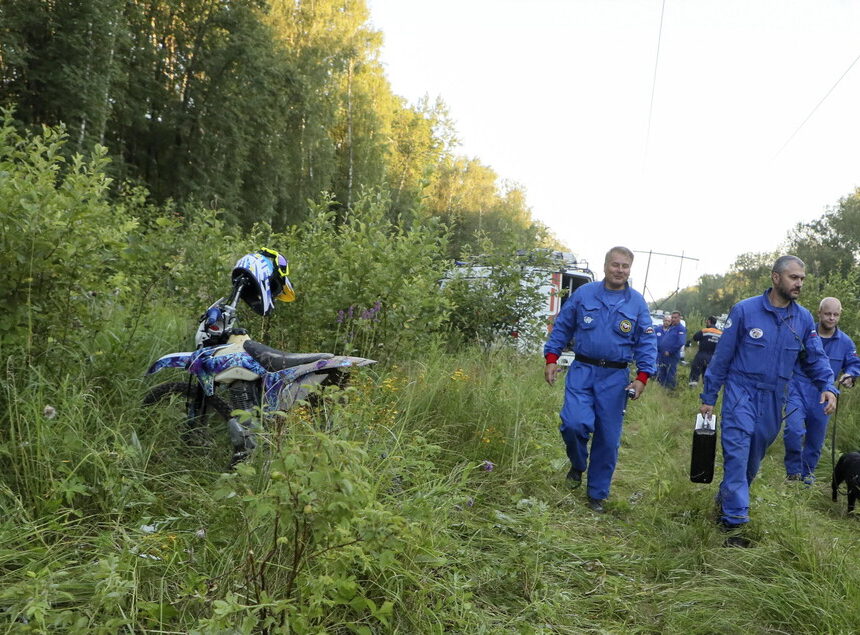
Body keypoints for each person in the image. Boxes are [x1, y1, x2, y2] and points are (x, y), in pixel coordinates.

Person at [700, 255, 837, 543]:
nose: (799, 283)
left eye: (802, 278)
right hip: (741, 393)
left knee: (751, 462)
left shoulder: (802, 319)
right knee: (737, 456)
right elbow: (722, 358)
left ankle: (727, 501)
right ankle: (735, 524)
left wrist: (828, 385)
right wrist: (709, 397)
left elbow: (815, 357)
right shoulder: (745, 311)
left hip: (774, 399)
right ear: (776, 278)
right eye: (793, 277)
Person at [544, 246, 657, 512]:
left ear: (630, 269)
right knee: (573, 424)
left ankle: (597, 494)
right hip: (583, 371)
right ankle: (578, 464)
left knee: (607, 437)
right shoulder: (585, 294)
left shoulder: (636, 303)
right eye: (615, 265)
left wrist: (642, 377)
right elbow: (562, 326)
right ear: (605, 266)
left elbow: (647, 341)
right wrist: (551, 358)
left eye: (625, 266)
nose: (619, 270)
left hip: (615, 378)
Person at [783, 297, 860, 483]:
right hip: (798, 389)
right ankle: (793, 472)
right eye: (827, 313)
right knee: (793, 430)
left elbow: (854, 364)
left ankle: (807, 476)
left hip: (824, 394)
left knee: (815, 441)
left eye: (835, 314)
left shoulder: (846, 342)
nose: (831, 318)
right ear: (819, 313)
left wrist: (849, 376)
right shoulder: (805, 334)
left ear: (840, 315)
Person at [686, 316, 723, 386]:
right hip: (713, 357)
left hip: (701, 354)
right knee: (708, 375)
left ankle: (692, 388)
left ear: (709, 321)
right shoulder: (721, 333)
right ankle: (706, 389)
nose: (706, 323)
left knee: (695, 371)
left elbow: (695, 337)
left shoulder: (705, 331)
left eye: (706, 321)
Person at [656, 311, 686, 388]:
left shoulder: (680, 329)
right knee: (662, 373)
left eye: (675, 318)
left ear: (679, 318)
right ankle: (662, 391)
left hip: (671, 356)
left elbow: (681, 342)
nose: (673, 319)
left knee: (670, 373)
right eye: (672, 317)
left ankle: (670, 391)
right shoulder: (671, 327)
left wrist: (670, 351)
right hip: (663, 355)